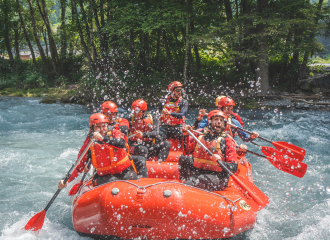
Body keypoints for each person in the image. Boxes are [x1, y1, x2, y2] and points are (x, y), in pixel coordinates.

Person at [58, 113, 137, 189]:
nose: (102, 129)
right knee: (112, 181)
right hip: (104, 176)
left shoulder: (115, 133)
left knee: (131, 177)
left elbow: (121, 143)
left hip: (124, 171)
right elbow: (79, 165)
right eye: (98, 127)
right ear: (92, 129)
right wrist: (66, 179)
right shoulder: (89, 142)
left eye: (104, 126)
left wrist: (103, 139)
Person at [178, 110, 238, 191]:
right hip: (199, 173)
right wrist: (185, 135)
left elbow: (234, 167)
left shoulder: (227, 141)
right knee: (184, 159)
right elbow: (187, 152)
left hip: (219, 177)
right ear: (209, 122)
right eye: (216, 119)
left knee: (200, 179)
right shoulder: (201, 137)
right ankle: (185, 182)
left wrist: (221, 162)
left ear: (224, 124)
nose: (219, 122)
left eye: (221, 120)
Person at [194, 96, 259, 152]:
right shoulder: (210, 120)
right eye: (227, 109)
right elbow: (197, 132)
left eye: (231, 109)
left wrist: (251, 137)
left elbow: (245, 138)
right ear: (220, 108)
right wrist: (198, 119)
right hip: (211, 147)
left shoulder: (234, 122)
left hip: (228, 148)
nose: (230, 112)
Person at [128, 99, 171, 177]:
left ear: (143, 111)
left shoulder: (152, 118)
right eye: (133, 111)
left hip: (149, 146)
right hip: (135, 147)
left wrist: (142, 135)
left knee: (166, 144)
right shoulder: (129, 119)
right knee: (142, 149)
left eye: (137, 111)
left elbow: (156, 133)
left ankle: (159, 165)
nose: (135, 113)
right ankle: (141, 169)